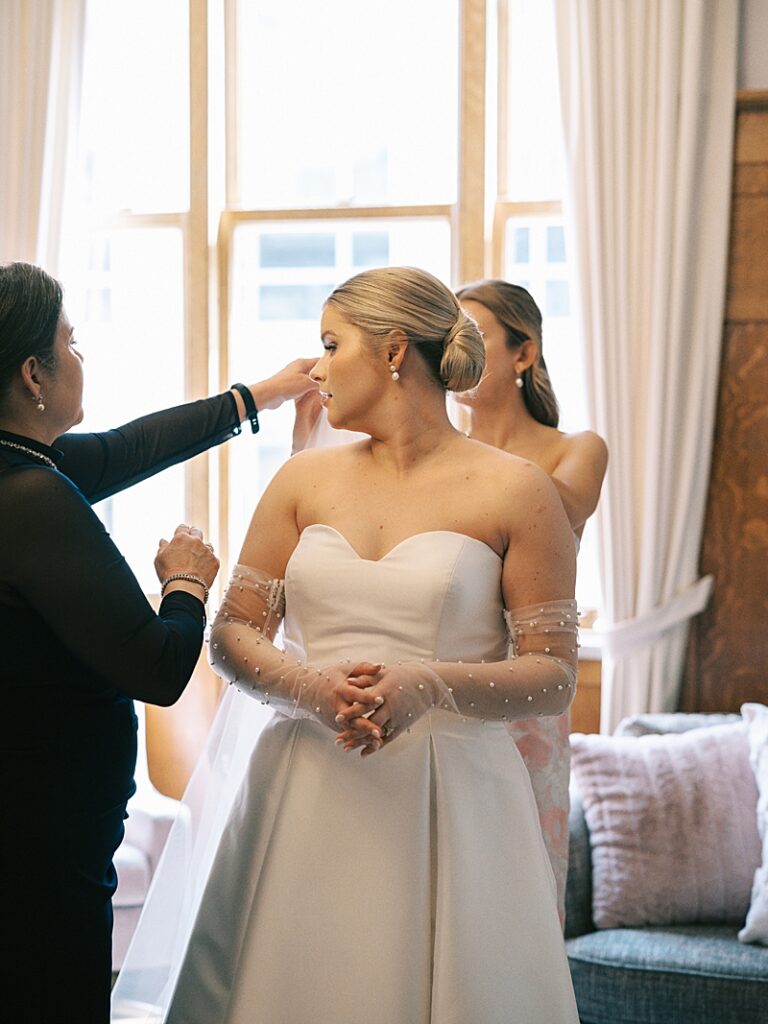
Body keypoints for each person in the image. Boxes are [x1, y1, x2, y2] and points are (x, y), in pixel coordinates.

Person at [115, 266, 581, 1023]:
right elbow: (234, 634)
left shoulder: (517, 490)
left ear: (395, 352)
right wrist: (311, 688)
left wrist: (429, 684)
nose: (318, 367)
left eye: (332, 345)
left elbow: (553, 673)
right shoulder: (301, 481)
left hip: (454, 799)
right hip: (304, 785)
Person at [0, 261, 317, 1023]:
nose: (83, 357)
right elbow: (159, 665)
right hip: (40, 837)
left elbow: (132, 447)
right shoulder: (30, 496)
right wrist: (186, 582)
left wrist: (259, 397)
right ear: (33, 373)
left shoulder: (26, 465)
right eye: (71, 343)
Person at [455, 278, 608, 922]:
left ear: (524, 354)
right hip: (449, 672)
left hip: (531, 683)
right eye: (447, 336)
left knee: (519, 885)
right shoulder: (436, 455)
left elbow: (558, 507)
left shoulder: (577, 450)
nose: (455, 351)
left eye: (473, 335)